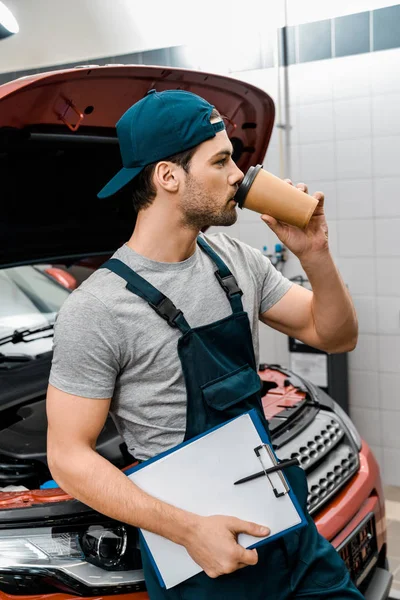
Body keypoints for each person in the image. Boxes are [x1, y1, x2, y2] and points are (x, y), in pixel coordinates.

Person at [46, 89, 362, 599]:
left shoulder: (234, 259)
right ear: (168, 177)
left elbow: (336, 334)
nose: (239, 175)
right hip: (201, 559)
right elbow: (67, 457)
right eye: (220, 160)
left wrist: (316, 255)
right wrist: (188, 531)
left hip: (286, 529)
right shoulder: (97, 308)